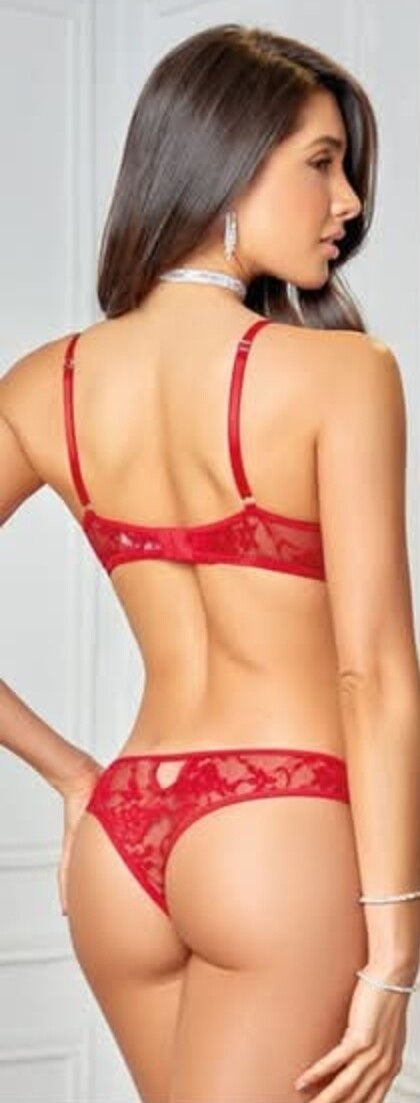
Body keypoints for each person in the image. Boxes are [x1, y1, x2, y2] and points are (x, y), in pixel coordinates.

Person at [1, 21, 420, 1103]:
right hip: (281, 837)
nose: (349, 203)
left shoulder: (44, 384)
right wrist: (395, 947)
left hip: (125, 836)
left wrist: (75, 776)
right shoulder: (344, 376)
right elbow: (374, 674)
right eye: (322, 163)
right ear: (228, 161)